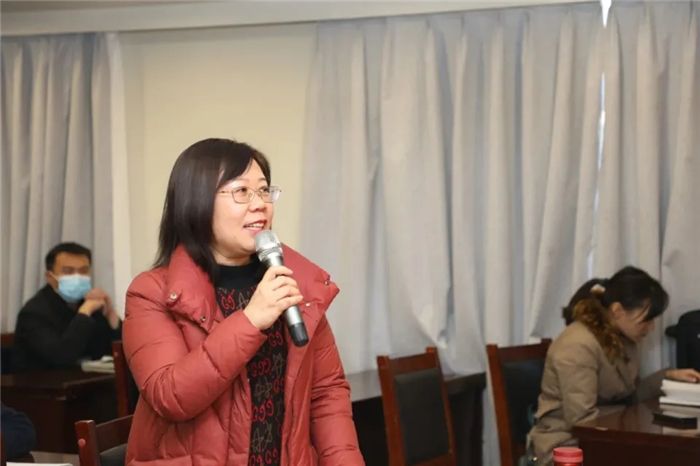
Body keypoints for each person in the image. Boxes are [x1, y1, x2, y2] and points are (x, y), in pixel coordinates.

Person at [122, 138, 364, 466]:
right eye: (241, 192)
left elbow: (327, 393)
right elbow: (171, 397)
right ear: (197, 201)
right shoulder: (152, 293)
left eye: (264, 191)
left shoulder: (292, 282)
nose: (260, 204)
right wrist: (251, 321)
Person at [529, 266, 700, 466]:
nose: (651, 326)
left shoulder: (621, 338)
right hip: (566, 446)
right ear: (618, 310)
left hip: (602, 437)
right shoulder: (577, 346)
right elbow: (583, 422)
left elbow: (629, 396)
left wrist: (668, 376)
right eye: (647, 319)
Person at [12, 242, 122, 373]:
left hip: (87, 381)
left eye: (83, 271)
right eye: (68, 271)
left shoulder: (88, 303)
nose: (77, 277)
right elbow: (61, 357)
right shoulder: (33, 313)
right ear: (50, 277)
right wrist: (84, 313)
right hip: (42, 383)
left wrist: (111, 314)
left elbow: (113, 351)